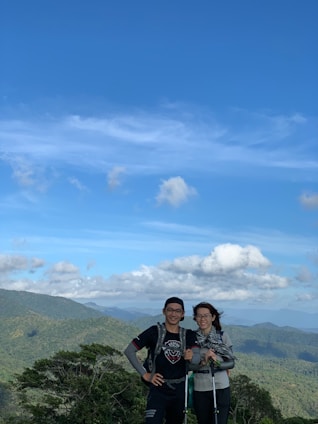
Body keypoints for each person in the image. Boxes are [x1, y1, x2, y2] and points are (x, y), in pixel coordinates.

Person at [124, 296, 200, 424]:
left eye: (177, 311)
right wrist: (145, 374)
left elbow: (197, 357)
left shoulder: (189, 335)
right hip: (158, 389)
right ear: (164, 311)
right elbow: (129, 351)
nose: (173, 314)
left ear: (182, 314)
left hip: (180, 390)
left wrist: (192, 357)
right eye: (170, 310)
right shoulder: (154, 332)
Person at [191, 302, 235, 424]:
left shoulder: (222, 336)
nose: (202, 319)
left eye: (206, 315)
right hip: (200, 387)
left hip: (221, 386)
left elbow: (231, 363)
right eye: (199, 316)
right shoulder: (191, 338)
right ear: (195, 318)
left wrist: (218, 363)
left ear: (213, 317)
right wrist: (204, 361)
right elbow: (188, 366)